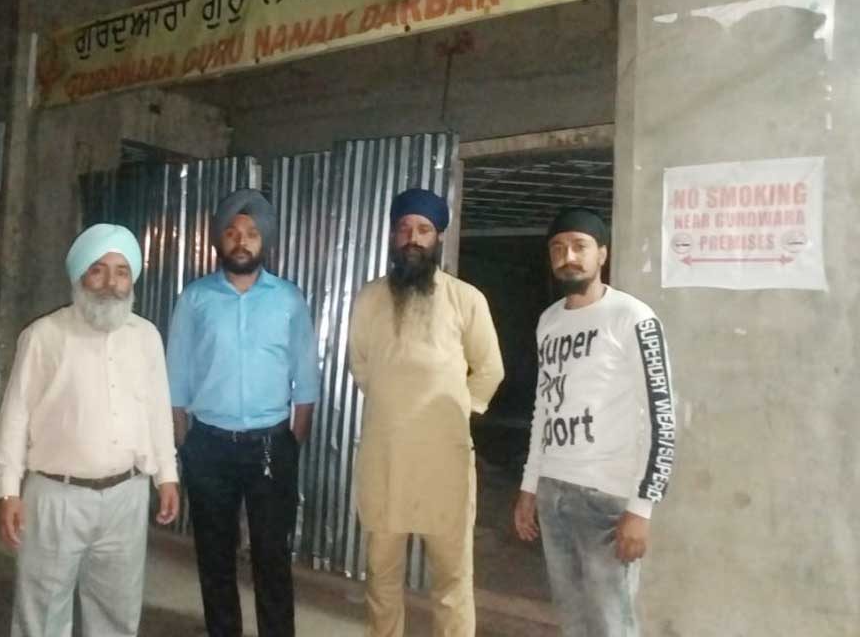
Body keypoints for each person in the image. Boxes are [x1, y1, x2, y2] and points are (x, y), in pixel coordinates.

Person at [0, 223, 179, 637]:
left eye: (122, 271)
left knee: (117, 613)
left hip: (126, 498)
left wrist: (167, 476)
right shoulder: (44, 335)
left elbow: (157, 411)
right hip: (57, 498)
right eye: (98, 269)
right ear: (79, 275)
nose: (110, 283)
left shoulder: (146, 337)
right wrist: (8, 491)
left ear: (133, 279)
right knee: (42, 614)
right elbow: (15, 416)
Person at [348, 187, 505, 637]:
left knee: (453, 584)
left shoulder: (465, 299)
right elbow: (360, 366)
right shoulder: (369, 299)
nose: (411, 238)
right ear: (392, 237)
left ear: (438, 237)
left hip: (445, 464)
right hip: (387, 462)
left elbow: (490, 368)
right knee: (381, 580)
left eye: (422, 230)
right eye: (403, 229)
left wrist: (460, 411)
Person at [514, 207, 676, 637]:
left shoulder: (633, 317)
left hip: (607, 498)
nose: (568, 256)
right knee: (573, 620)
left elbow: (662, 416)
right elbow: (544, 409)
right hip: (554, 495)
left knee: (612, 625)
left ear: (601, 254)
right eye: (558, 248)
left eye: (580, 246)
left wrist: (641, 508)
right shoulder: (549, 321)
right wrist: (530, 486)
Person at [167, 188, 320, 637]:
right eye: (232, 232)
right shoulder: (195, 299)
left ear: (264, 242)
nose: (241, 240)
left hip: (271, 445)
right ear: (220, 240)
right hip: (208, 446)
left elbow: (305, 380)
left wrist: (292, 443)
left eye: (251, 233)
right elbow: (175, 378)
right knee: (214, 559)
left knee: (272, 559)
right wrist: (184, 445)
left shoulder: (289, 299)